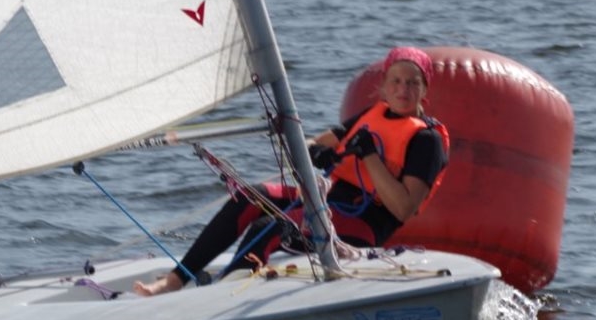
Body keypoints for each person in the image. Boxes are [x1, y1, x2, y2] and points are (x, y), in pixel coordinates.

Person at [133, 46, 449, 296]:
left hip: (361, 224)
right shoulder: (373, 115)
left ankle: (222, 295)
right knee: (251, 196)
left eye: (413, 82)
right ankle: (176, 280)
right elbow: (312, 142)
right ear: (383, 87)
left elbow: (403, 208)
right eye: (396, 81)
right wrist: (315, 152)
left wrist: (369, 157)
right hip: (327, 204)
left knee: (270, 228)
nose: (403, 89)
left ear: (425, 90)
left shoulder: (427, 140)